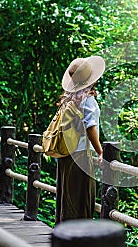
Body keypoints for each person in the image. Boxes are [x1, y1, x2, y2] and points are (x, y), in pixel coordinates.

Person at [55, 56, 105, 224]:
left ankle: (64, 234)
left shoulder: (69, 97)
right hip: (81, 154)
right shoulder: (88, 100)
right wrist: (100, 152)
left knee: (67, 197)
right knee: (81, 198)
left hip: (67, 154)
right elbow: (91, 127)